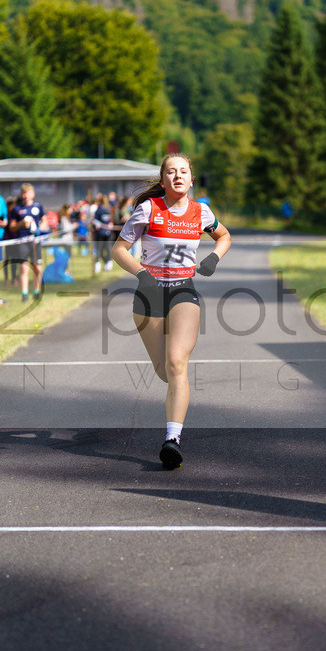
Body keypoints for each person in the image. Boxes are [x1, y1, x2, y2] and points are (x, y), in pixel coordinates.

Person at [110, 154, 231, 470]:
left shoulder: (201, 212)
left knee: (177, 363)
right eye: (171, 172)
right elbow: (118, 250)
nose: (178, 176)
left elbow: (224, 236)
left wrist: (213, 258)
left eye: (184, 172)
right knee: (165, 370)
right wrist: (141, 273)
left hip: (183, 291)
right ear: (163, 180)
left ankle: (172, 440)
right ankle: (175, 394)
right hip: (148, 295)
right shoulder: (148, 210)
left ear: (192, 179)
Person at [8, 183, 45, 302]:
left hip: (35, 241)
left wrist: (41, 229)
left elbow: (45, 221)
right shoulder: (17, 209)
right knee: (24, 268)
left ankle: (37, 291)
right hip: (22, 241)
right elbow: (12, 227)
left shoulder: (38, 207)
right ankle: (24, 293)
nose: (26, 195)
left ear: (33, 194)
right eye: (24, 193)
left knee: (37, 267)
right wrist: (21, 224)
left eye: (28, 193)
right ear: (21, 194)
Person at [91, 192, 114, 273]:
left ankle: (99, 265)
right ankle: (108, 263)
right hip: (107, 232)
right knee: (107, 249)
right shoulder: (109, 208)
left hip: (101, 233)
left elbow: (95, 220)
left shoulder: (100, 209)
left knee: (99, 249)